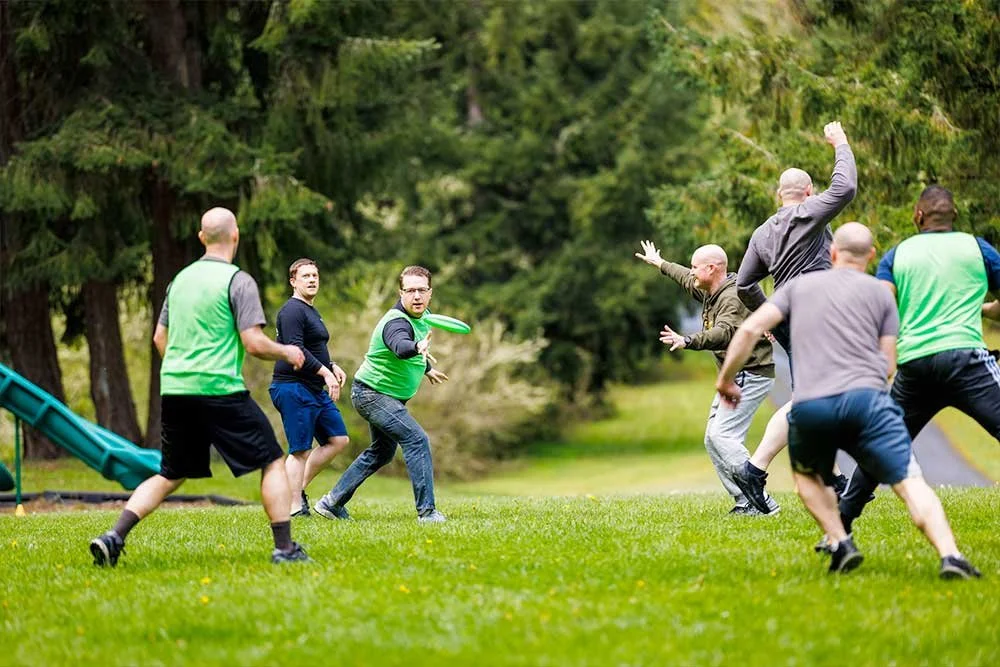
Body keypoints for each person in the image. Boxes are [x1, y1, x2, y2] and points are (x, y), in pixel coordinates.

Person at [717, 223, 980, 579]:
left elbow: (749, 329)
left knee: (808, 479)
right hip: (868, 402)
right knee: (909, 481)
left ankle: (840, 541)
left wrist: (726, 379)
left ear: (832, 253)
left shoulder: (798, 287)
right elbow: (888, 364)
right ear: (871, 256)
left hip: (812, 404)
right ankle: (951, 555)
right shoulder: (882, 295)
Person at [89, 208, 311, 566]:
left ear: (201, 237)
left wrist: (183, 367)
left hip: (176, 390)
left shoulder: (179, 282)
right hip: (219, 388)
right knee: (271, 460)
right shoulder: (238, 281)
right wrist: (288, 351)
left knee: (170, 472)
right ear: (235, 236)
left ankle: (114, 536)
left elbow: (160, 338)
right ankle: (285, 549)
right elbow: (253, 343)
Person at [837, 185, 1000, 533]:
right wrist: (984, 309)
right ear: (953, 216)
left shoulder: (898, 254)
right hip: (966, 360)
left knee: (882, 442)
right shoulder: (978, 248)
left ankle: (840, 521)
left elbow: (879, 307)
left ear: (918, 216)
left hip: (916, 366)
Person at [732, 120, 858, 507]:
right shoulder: (808, 212)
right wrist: (840, 143)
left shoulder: (763, 233)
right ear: (808, 192)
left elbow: (743, 284)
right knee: (811, 396)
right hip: (817, 310)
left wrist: (769, 313)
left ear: (777, 194)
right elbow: (846, 188)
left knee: (818, 392)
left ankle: (832, 476)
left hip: (788, 316)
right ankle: (754, 470)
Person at [636, 240, 779, 515]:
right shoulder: (712, 290)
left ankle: (760, 497)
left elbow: (724, 333)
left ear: (712, 269)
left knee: (722, 436)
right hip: (737, 373)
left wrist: (688, 340)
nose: (690, 272)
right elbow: (685, 278)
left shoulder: (732, 297)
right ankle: (745, 501)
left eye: (695, 267)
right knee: (712, 438)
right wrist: (661, 264)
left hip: (750, 372)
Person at [313, 265, 450, 523]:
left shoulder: (423, 317)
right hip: (372, 395)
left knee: (382, 452)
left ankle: (331, 503)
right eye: (410, 291)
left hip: (382, 396)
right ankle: (427, 512)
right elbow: (400, 346)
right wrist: (416, 347)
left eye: (422, 290)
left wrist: (427, 368)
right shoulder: (396, 322)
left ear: (430, 293)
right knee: (417, 439)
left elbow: (413, 352)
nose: (417, 296)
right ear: (401, 293)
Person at [269, 258, 349, 517]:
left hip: (312, 388)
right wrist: (325, 372)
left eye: (315, 275)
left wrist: (332, 364)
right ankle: (294, 507)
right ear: (293, 281)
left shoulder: (311, 311)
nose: (312, 280)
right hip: (292, 387)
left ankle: (295, 489)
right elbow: (295, 349)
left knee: (337, 440)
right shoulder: (291, 311)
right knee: (300, 449)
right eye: (305, 276)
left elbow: (314, 346)